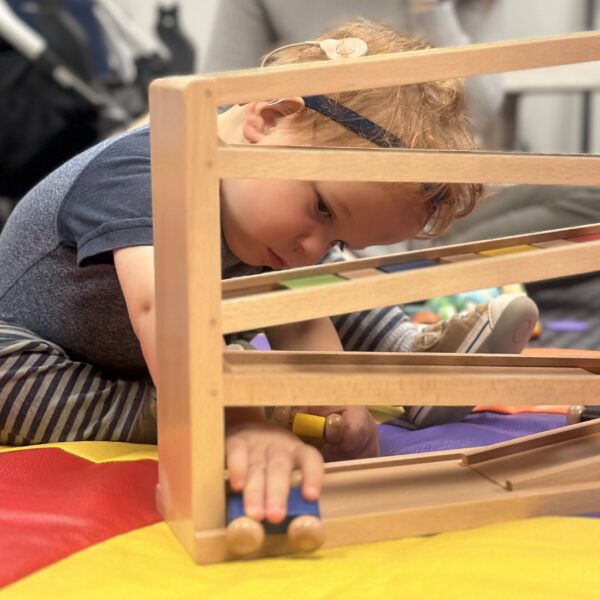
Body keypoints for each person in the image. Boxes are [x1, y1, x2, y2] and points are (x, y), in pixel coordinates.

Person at [1, 19, 510, 524]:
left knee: (323, 276)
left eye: (337, 238)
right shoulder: (148, 173)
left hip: (157, 351)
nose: (315, 246)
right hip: (51, 348)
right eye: (323, 209)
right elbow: (164, 308)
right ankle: (164, 408)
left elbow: (301, 311)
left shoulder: (271, 221)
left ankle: (401, 356)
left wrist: (335, 401)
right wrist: (236, 422)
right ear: (267, 119)